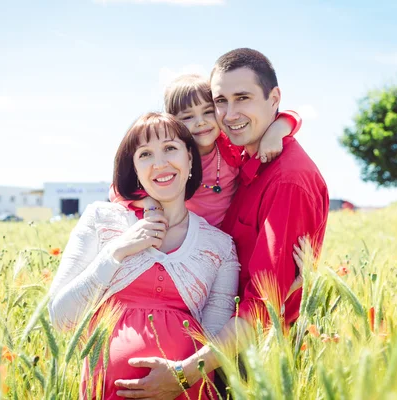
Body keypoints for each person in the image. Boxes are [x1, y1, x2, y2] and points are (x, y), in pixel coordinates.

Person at [114, 48, 329, 400]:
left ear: (274, 98)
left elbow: (266, 301)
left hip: (252, 356)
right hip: (217, 344)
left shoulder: (288, 180)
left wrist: (186, 373)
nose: (228, 115)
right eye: (221, 101)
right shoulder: (239, 154)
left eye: (242, 98)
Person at [48, 112, 241, 399]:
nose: (160, 163)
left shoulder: (219, 246)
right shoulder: (101, 219)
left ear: (190, 158)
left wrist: (180, 376)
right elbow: (60, 317)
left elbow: (213, 338)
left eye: (170, 149)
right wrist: (117, 251)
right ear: (134, 168)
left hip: (189, 392)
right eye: (146, 154)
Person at [111, 74, 301, 229]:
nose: (200, 122)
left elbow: (294, 116)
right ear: (173, 122)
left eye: (208, 112)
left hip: (227, 239)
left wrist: (277, 130)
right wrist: (147, 202)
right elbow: (119, 191)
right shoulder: (171, 159)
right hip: (187, 238)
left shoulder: (230, 146)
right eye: (188, 116)